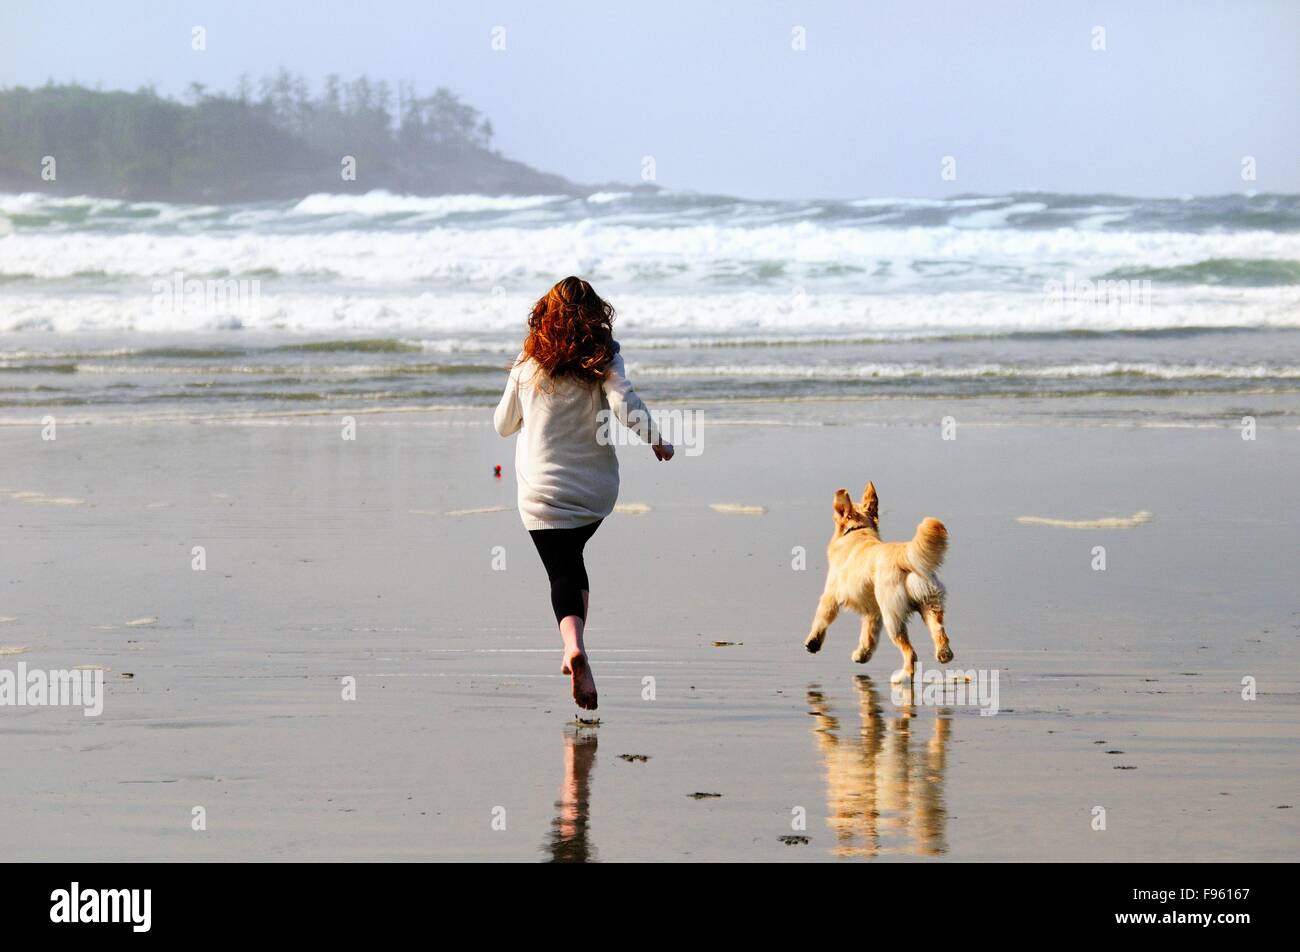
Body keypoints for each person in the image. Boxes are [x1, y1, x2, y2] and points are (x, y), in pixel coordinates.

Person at [494, 276, 673, 710]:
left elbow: (503, 424)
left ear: (545, 314)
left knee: (562, 570)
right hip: (592, 493)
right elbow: (624, 403)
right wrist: (656, 439)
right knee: (571, 563)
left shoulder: (528, 361)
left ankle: (573, 646)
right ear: (595, 313)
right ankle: (574, 647)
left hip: (539, 494)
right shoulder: (603, 356)